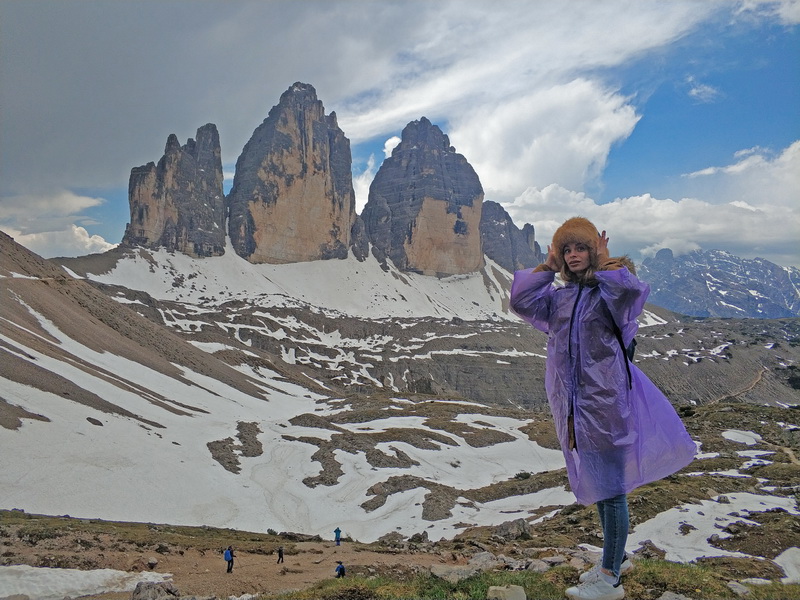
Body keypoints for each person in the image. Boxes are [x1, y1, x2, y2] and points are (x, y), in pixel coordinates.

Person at [510, 217, 696, 600]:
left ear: (594, 249)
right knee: (600, 483)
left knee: (611, 490)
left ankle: (610, 577)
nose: (573, 255)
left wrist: (608, 263)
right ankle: (617, 557)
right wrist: (547, 266)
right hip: (577, 408)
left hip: (608, 405)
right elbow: (521, 301)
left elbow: (630, 294)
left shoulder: (609, 293)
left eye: (580, 248)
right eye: (567, 249)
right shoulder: (559, 298)